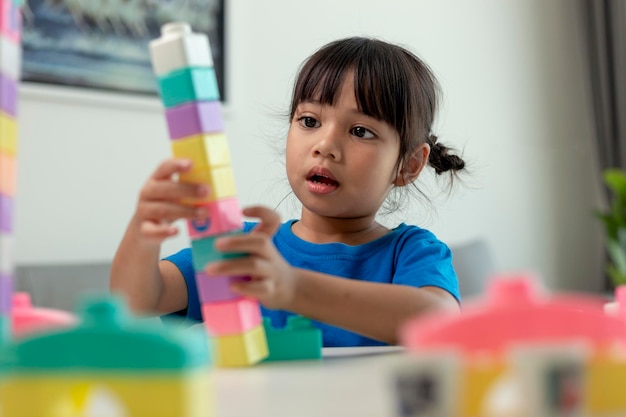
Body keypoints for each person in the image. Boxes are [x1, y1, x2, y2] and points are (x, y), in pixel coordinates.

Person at [110, 37, 465, 347]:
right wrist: (143, 230)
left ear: (409, 165)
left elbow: (439, 322)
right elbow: (134, 302)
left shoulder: (413, 252)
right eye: (310, 121)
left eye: (360, 130)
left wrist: (293, 287)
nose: (325, 145)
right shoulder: (242, 250)